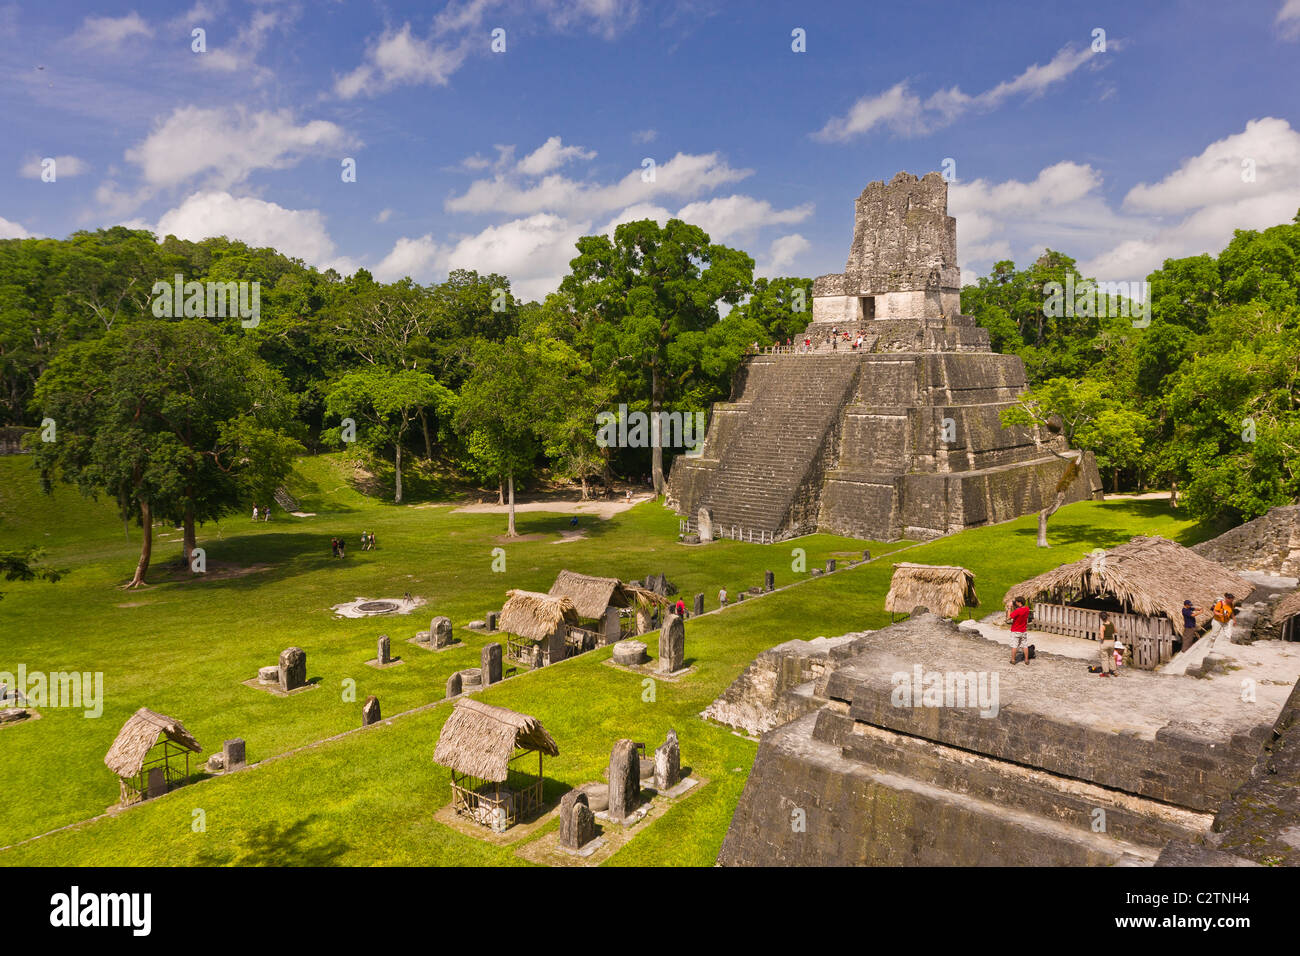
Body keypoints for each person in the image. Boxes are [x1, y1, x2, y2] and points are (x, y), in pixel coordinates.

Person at [1008, 597, 1032, 664]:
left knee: (1014, 645)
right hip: (1023, 631)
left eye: (1016, 602)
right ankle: (1026, 660)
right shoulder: (1027, 609)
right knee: (1025, 645)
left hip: (1015, 630)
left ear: (1019, 603)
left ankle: (1013, 660)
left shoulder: (1017, 611)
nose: (1015, 603)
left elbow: (1008, 618)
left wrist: (1009, 607)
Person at [1098, 611, 1117, 676]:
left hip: (1105, 642)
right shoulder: (1112, 624)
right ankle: (1114, 671)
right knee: (1111, 656)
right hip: (1111, 642)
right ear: (1107, 617)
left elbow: (1102, 637)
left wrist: (1099, 636)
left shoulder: (1102, 626)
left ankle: (1106, 672)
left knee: (1104, 657)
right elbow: (1115, 631)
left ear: (1101, 618)